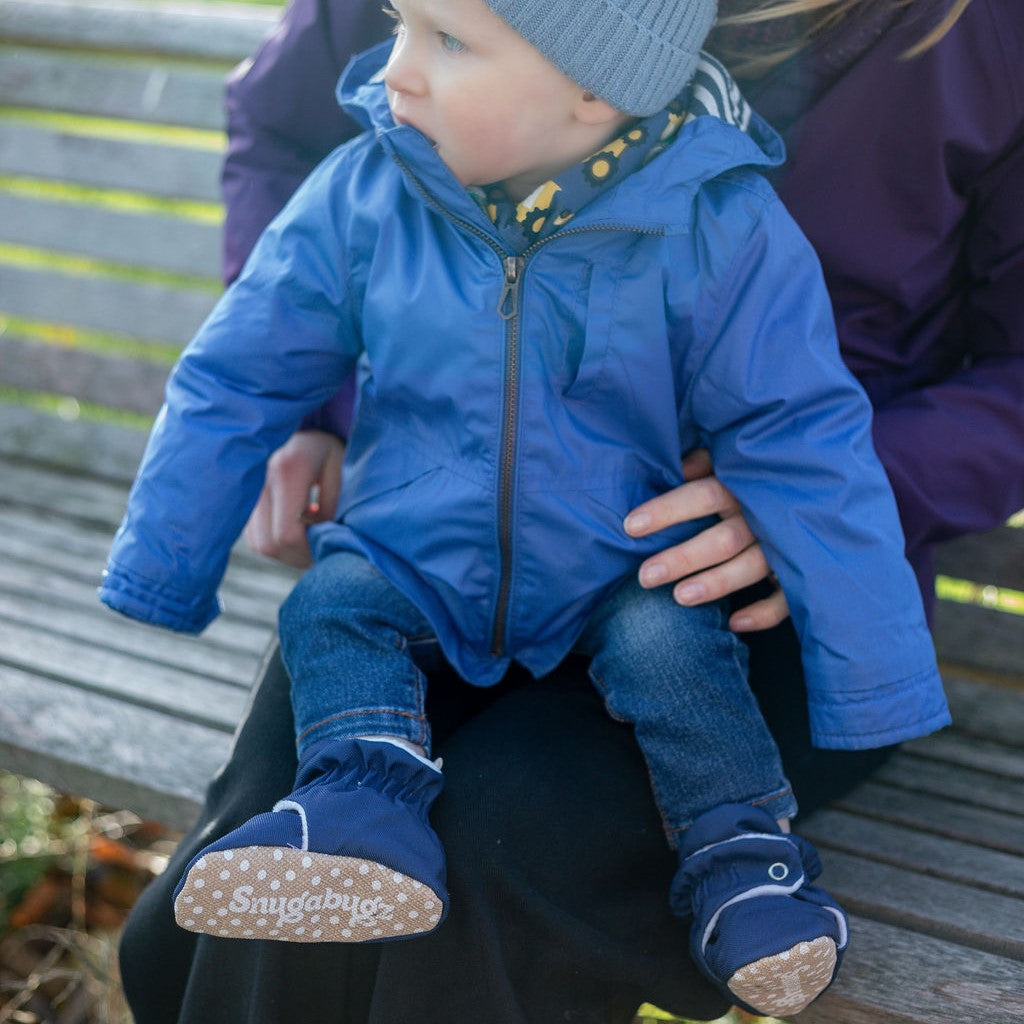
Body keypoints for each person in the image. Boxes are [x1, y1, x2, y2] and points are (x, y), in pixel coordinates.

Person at [115, 2, 1024, 1023]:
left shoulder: (978, 38)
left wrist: (817, 496)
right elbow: (287, 136)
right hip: (438, 535)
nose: (403, 64)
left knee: (508, 834)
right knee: (292, 822)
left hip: (755, 590)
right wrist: (311, 403)